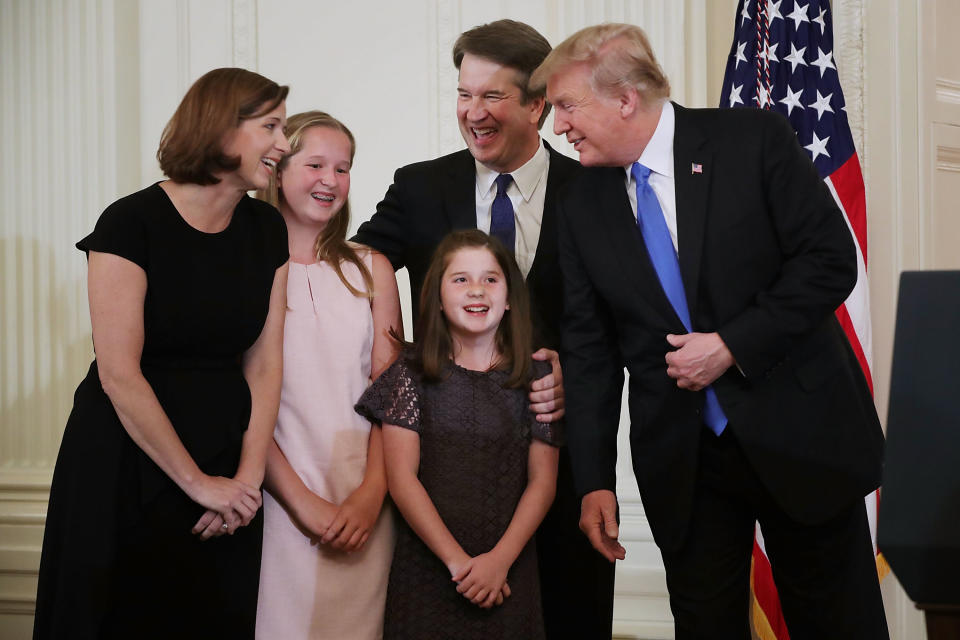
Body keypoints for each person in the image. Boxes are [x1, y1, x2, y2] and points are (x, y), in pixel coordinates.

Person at [531, 23, 888, 639]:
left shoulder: (749, 140)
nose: (557, 126)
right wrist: (593, 479)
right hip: (686, 463)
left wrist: (731, 346)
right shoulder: (580, 202)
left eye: (566, 106)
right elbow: (588, 351)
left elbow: (830, 259)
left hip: (799, 436)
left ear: (624, 99)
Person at [353, 19, 616, 637]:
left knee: (568, 613)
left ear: (538, 104)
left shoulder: (596, 190)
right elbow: (358, 261)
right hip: (443, 466)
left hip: (562, 455)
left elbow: (622, 318)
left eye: (493, 96)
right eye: (464, 94)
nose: (474, 112)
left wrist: (568, 376)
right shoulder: (419, 186)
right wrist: (398, 353)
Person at [32, 68, 290, 639]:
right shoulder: (129, 223)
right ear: (221, 127)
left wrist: (245, 481)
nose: (285, 144)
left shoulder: (267, 229)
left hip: (227, 458)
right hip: (127, 459)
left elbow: (266, 363)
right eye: (271, 126)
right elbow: (119, 373)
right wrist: (198, 483)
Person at [355, 229, 561, 639]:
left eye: (490, 279)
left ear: (508, 299)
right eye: (461, 279)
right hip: (428, 571)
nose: (476, 291)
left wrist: (498, 562)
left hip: (508, 571)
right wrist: (458, 564)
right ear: (438, 295)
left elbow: (543, 482)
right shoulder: (409, 375)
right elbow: (402, 480)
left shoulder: (536, 378)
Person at [254, 111, 401, 639]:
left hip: (363, 486)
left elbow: (393, 395)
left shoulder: (371, 269)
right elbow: (241, 401)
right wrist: (298, 500)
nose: (330, 181)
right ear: (276, 170)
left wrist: (372, 493)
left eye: (343, 169)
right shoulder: (245, 269)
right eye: (315, 164)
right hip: (273, 490)